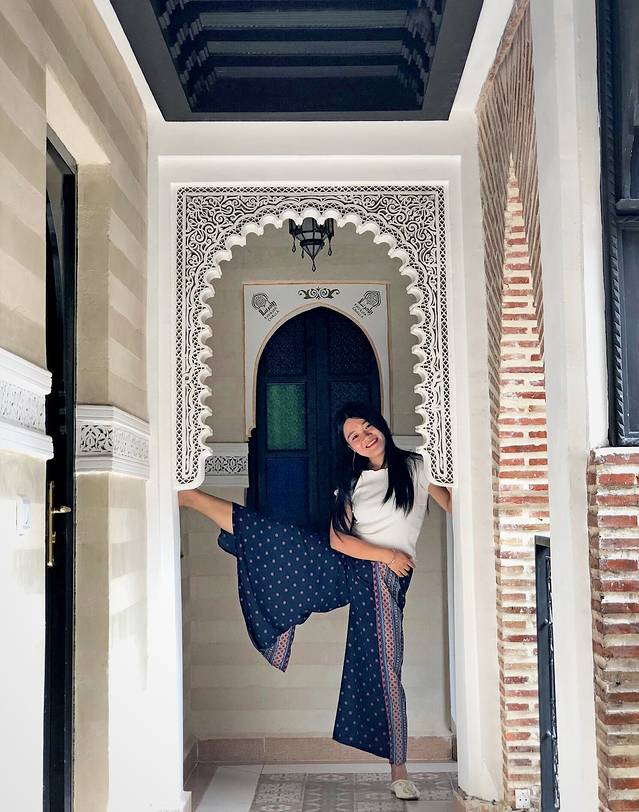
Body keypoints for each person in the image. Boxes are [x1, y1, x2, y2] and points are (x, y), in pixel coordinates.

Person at [178, 402, 452, 801]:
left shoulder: (417, 468)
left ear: (380, 425)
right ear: (349, 446)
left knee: (385, 665)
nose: (364, 438)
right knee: (279, 539)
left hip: (385, 580)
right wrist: (388, 554)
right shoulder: (352, 482)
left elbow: (457, 506)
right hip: (354, 563)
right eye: (354, 437)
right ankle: (191, 498)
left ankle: (398, 770)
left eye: (367, 428)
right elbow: (339, 540)